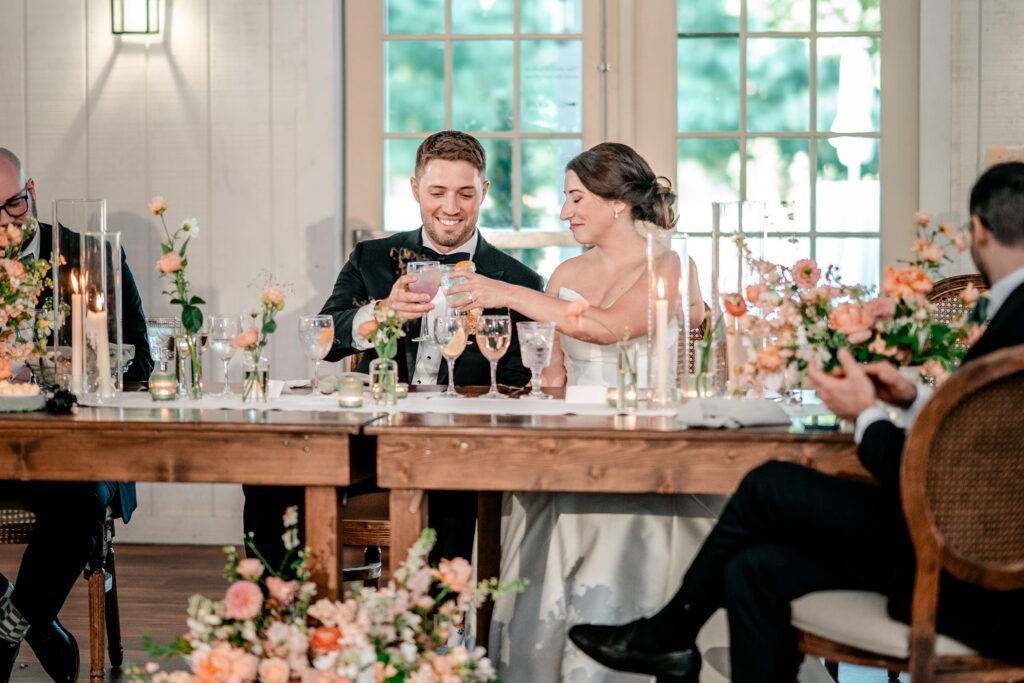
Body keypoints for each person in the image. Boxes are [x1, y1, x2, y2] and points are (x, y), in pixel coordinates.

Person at [568, 161, 1024, 683]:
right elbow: (989, 440)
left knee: (769, 486)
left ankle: (665, 636)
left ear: (979, 230)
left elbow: (942, 476)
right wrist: (910, 397)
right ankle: (668, 638)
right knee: (751, 570)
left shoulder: (1013, 316)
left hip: (973, 583)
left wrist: (867, 416)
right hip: (960, 548)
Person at [448, 142, 717, 683]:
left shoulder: (673, 265)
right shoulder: (566, 271)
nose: (565, 211)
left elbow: (607, 327)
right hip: (573, 441)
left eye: (575, 198)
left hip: (649, 443)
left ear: (617, 202)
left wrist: (506, 292)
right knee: (542, 490)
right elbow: (555, 378)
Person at [242, 130, 544, 568]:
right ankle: (282, 613)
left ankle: (436, 625)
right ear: (416, 188)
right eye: (437, 192)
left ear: (484, 191)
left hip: (458, 448)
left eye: (465, 193)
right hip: (371, 438)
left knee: (451, 493)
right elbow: (326, 337)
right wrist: (381, 312)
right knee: (271, 474)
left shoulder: (518, 280)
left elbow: (519, 384)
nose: (451, 207)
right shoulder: (371, 258)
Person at [0, 148, 149, 682]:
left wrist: (60, 367)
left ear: (32, 191)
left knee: (79, 499)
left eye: (13, 206)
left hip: (72, 448)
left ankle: (3, 638)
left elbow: (141, 358)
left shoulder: (89, 255)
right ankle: (32, 624)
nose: (4, 224)